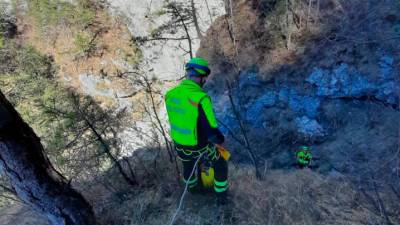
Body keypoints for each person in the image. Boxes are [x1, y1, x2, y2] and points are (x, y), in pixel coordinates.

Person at [165, 57, 228, 201]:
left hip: (179, 145)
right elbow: (212, 131)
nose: (204, 81)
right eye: (204, 78)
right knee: (221, 163)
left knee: (188, 165)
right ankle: (222, 198)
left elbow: (182, 119)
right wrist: (221, 140)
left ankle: (193, 192)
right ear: (200, 77)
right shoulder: (200, 98)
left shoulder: (170, 94)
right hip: (198, 146)